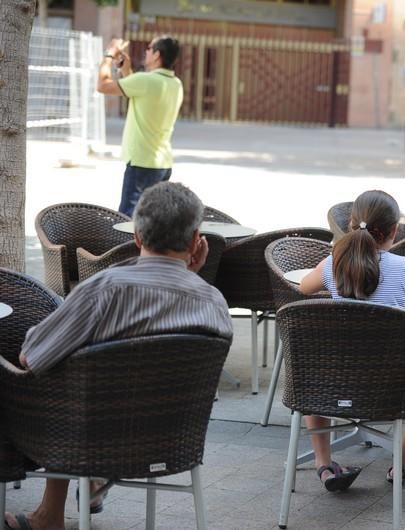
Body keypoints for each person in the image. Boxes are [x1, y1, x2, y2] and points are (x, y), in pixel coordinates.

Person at [4, 182, 234, 530]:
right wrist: (189, 278)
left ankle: (59, 505)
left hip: (88, 434)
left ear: (137, 237)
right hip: (172, 437)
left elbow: (31, 357)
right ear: (195, 241)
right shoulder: (213, 301)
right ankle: (75, 494)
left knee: (58, 367)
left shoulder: (105, 290)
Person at [299, 190, 405, 488]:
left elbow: (303, 287)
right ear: (394, 231)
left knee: (311, 360)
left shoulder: (332, 264)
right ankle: (402, 460)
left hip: (332, 383)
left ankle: (324, 463)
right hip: (392, 388)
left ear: (352, 225)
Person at [97, 36, 184, 217]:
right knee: (150, 221)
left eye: (149, 48)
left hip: (141, 163)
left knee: (127, 221)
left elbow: (102, 85)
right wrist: (126, 70)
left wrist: (109, 55)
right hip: (162, 163)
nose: (146, 51)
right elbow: (141, 96)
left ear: (157, 55)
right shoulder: (175, 84)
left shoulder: (145, 81)